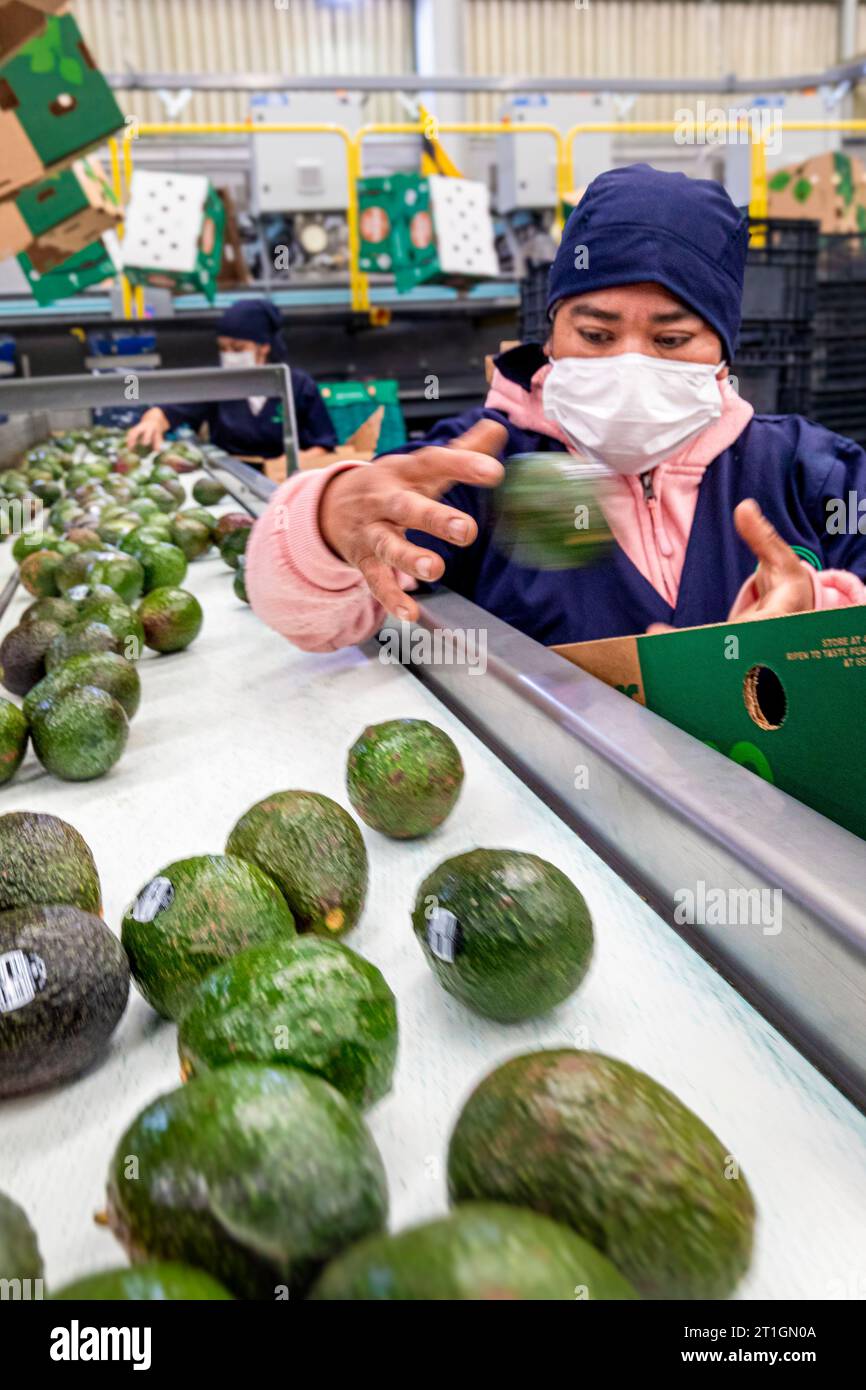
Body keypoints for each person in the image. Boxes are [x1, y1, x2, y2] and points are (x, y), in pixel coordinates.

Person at [244, 164, 866, 653]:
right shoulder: (474, 469)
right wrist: (325, 519)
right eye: (595, 335)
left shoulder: (813, 473)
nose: (628, 366)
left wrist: (822, 615)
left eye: (671, 341)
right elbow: (310, 622)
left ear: (722, 355)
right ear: (551, 337)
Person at [127, 298, 337, 473]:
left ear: (264, 347)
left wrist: (289, 462)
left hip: (286, 480)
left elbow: (324, 444)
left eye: (238, 348)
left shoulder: (298, 385)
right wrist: (153, 420)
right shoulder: (218, 383)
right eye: (223, 348)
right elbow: (172, 411)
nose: (229, 356)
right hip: (231, 482)